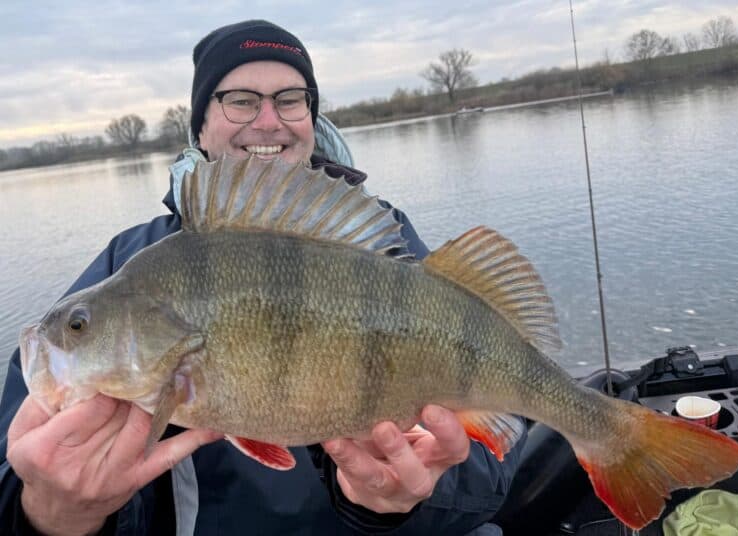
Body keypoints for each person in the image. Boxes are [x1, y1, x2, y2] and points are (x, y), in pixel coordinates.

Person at [0, 20, 525, 535]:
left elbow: (496, 462)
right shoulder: (130, 264)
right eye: (241, 100)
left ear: (310, 120)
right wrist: (57, 516)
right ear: (201, 127)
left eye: (291, 99)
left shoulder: (386, 250)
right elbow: (13, 470)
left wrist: (399, 500)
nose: (269, 121)